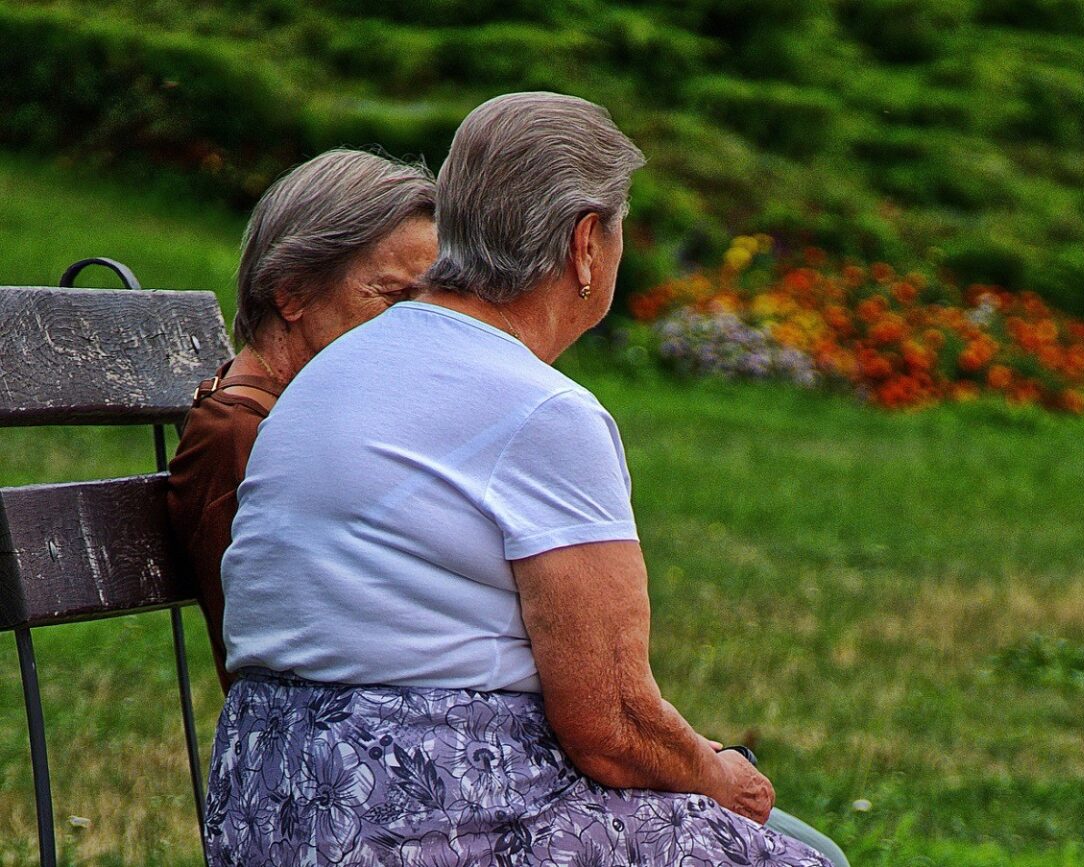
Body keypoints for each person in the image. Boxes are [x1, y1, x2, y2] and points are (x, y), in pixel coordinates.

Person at [205, 93, 845, 866]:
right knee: (807, 857)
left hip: (270, 804)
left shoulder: (331, 372)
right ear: (584, 245)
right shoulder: (540, 409)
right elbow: (608, 724)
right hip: (424, 816)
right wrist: (719, 774)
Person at [167, 148, 436, 693]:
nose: (419, 326)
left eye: (429, 301)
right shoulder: (241, 433)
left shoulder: (312, 412)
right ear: (292, 293)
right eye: (393, 296)